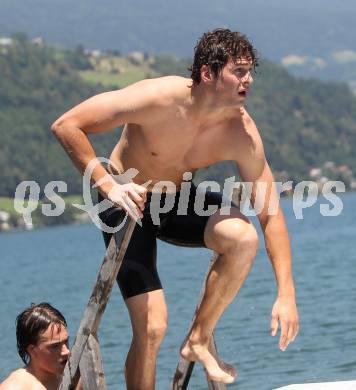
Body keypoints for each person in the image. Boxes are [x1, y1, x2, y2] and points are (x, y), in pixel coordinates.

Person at [51, 28, 300, 387]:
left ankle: (199, 338)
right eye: (240, 71)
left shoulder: (240, 131)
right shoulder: (157, 98)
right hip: (126, 200)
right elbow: (67, 125)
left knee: (242, 237)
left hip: (175, 201)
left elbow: (270, 211)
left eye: (250, 71)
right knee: (152, 328)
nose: (249, 80)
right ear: (207, 73)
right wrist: (107, 185)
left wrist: (286, 294)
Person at [0, 303, 70, 390]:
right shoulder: (14, 387)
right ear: (32, 350)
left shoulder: (73, 376)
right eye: (55, 346)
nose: (67, 351)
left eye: (66, 341)